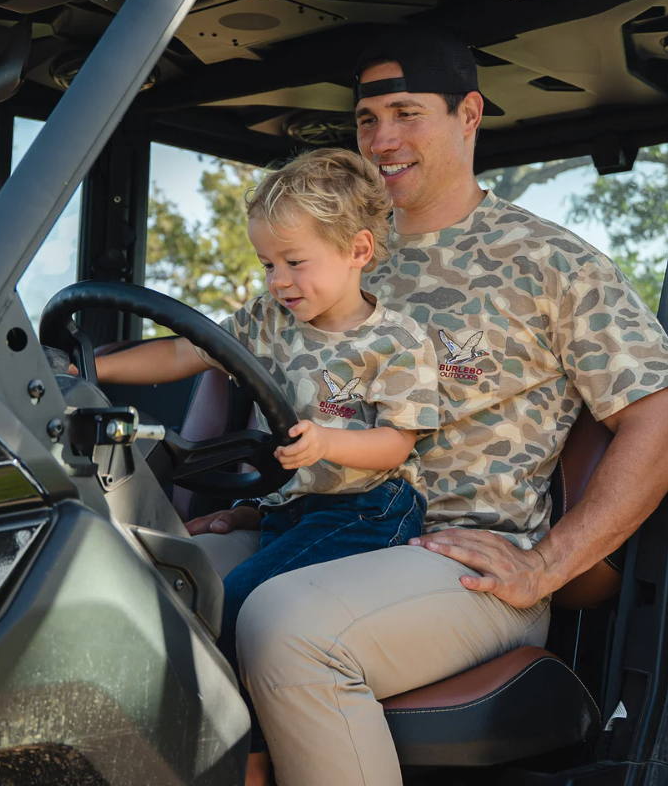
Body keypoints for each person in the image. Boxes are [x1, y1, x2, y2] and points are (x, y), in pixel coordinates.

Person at [186, 27, 668, 786]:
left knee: (285, 626)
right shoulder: (336, 251)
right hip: (330, 533)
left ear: (467, 114)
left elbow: (665, 430)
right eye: (367, 120)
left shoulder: (551, 263)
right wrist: (268, 509)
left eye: (405, 112)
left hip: (464, 567)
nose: (382, 139)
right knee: (153, 584)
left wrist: (542, 566)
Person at [93, 147, 439, 781]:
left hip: (370, 511)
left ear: (358, 250)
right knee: (178, 591)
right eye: (267, 264)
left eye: (295, 262)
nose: (279, 280)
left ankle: (246, 765)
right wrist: (89, 369)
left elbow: (396, 444)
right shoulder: (269, 321)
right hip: (295, 510)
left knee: (243, 600)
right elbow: (182, 355)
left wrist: (328, 444)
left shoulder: (396, 339)